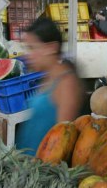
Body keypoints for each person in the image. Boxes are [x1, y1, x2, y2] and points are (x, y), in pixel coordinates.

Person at [16, 17, 84, 153]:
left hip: (42, 169)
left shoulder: (66, 84)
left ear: (51, 48)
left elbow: (62, 143)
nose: (28, 55)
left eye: (32, 48)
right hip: (26, 165)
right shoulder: (47, 76)